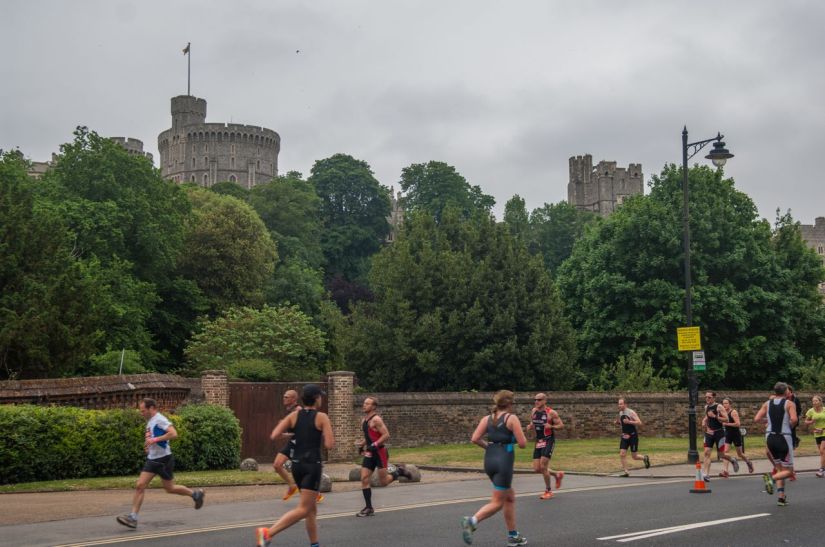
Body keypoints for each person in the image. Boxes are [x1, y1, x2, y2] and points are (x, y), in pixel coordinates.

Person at [256, 384, 334, 547]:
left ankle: (314, 544)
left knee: (311, 509)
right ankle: (268, 533)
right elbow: (329, 444)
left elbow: (274, 435)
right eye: (320, 396)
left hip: (297, 466)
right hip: (312, 466)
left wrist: (296, 432)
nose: (321, 399)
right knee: (304, 509)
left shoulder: (294, 416)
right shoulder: (322, 417)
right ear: (316, 398)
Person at [116, 398, 205, 529]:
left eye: (143, 411)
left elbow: (174, 434)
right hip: (153, 459)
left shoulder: (160, 419)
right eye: (140, 411)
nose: (142, 413)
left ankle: (195, 494)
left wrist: (155, 440)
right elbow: (152, 439)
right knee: (140, 485)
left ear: (152, 408)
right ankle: (133, 518)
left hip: (164, 460)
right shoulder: (150, 422)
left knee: (170, 488)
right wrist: (149, 446)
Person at [461, 390, 528, 547]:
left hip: (490, 460)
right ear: (510, 404)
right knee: (498, 502)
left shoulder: (487, 418)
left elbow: (475, 438)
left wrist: (490, 448)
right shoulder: (511, 418)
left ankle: (513, 535)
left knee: (509, 497)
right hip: (503, 462)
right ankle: (472, 521)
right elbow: (523, 443)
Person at [355, 396, 413, 517]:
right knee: (364, 479)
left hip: (380, 453)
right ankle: (369, 507)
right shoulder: (364, 420)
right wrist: (362, 444)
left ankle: (399, 471)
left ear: (374, 407)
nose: (364, 405)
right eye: (364, 403)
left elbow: (386, 435)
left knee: (384, 482)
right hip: (370, 453)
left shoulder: (376, 420)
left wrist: (375, 445)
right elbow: (370, 436)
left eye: (367, 404)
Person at [755, 382, 798, 506]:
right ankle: (771, 478)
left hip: (770, 437)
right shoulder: (790, 404)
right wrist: (789, 426)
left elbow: (757, 419)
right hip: (784, 437)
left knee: (780, 468)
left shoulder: (767, 404)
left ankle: (781, 497)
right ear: (786, 392)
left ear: (775, 392)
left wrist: (768, 421)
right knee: (789, 471)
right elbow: (794, 419)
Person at [527, 393, 564, 499]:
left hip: (549, 440)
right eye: (535, 399)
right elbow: (533, 423)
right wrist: (531, 426)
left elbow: (561, 425)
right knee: (537, 468)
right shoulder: (534, 411)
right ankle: (557, 475)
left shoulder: (551, 413)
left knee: (543, 466)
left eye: (539, 399)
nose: (536, 401)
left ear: (544, 401)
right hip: (539, 441)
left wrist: (551, 426)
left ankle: (548, 491)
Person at [701, 391, 738, 481]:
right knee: (706, 453)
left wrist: (715, 416)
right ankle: (706, 474)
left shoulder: (719, 407)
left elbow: (726, 419)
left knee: (721, 455)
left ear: (714, 398)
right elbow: (707, 417)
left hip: (719, 433)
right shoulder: (706, 407)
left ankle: (732, 459)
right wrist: (704, 422)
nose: (707, 399)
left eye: (709, 397)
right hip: (709, 433)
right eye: (706, 397)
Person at [272, 390, 301, 500]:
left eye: (286, 397)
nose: (284, 398)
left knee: (299, 470)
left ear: (294, 399)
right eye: (284, 396)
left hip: (299, 444)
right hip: (292, 442)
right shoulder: (289, 410)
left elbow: (303, 429)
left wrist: (287, 433)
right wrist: (282, 434)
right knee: (277, 465)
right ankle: (292, 486)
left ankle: (314, 494)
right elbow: (291, 433)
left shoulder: (298, 411)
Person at [615, 398, 650, 476]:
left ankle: (645, 458)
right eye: (618, 404)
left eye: (621, 404)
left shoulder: (631, 412)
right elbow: (623, 423)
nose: (619, 405)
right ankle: (626, 472)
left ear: (625, 404)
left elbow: (639, 422)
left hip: (633, 436)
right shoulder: (620, 413)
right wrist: (618, 423)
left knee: (634, 456)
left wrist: (629, 421)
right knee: (622, 454)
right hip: (624, 436)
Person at [720, 397, 754, 476]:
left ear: (730, 404)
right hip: (728, 434)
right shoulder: (723, 413)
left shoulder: (733, 412)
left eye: (726, 403)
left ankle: (749, 462)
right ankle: (725, 471)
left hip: (735, 435)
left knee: (740, 454)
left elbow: (738, 424)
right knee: (725, 452)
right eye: (723, 403)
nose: (724, 405)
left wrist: (726, 424)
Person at [804, 395, 825, 477]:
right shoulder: (810, 411)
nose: (814, 402)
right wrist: (811, 422)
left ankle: (821, 470)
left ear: (820, 402)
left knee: (822, 450)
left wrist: (822, 429)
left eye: (816, 401)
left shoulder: (824, 410)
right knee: (822, 452)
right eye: (813, 401)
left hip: (824, 431)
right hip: (817, 433)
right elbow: (806, 422)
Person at [787, 385, 803, 449]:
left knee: (792, 430)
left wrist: (794, 415)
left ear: (791, 392)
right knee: (788, 431)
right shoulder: (784, 399)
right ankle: (796, 439)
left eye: (787, 391)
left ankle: (793, 444)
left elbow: (799, 409)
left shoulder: (796, 399)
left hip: (794, 418)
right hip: (786, 418)